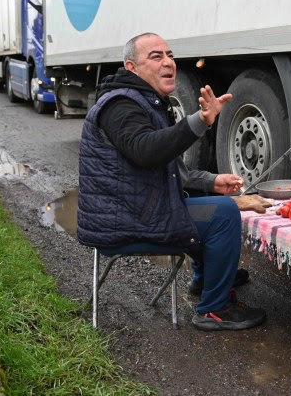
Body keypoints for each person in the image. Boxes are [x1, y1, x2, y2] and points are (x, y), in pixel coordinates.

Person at [77, 32, 269, 331]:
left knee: (205, 203)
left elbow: (171, 170)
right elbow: (147, 151)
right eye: (156, 57)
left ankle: (206, 280)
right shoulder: (120, 106)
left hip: (136, 209)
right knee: (223, 213)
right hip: (124, 221)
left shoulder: (144, 101)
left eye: (169, 55)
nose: (168, 62)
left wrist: (212, 181)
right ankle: (215, 309)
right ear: (132, 67)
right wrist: (200, 121)